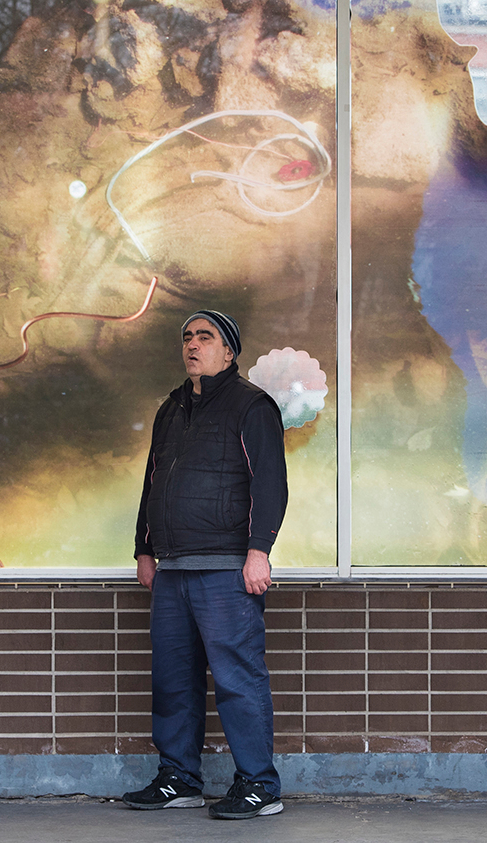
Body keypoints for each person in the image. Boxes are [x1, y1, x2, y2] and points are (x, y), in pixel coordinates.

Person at [122, 309, 288, 820]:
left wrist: (259, 550)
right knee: (174, 678)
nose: (193, 344)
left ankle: (259, 784)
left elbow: (270, 483)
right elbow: (153, 483)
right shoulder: (171, 408)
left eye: (205, 337)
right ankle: (179, 778)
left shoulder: (251, 405)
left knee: (238, 678)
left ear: (228, 351)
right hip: (172, 568)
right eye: (188, 337)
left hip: (225, 567)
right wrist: (143, 549)